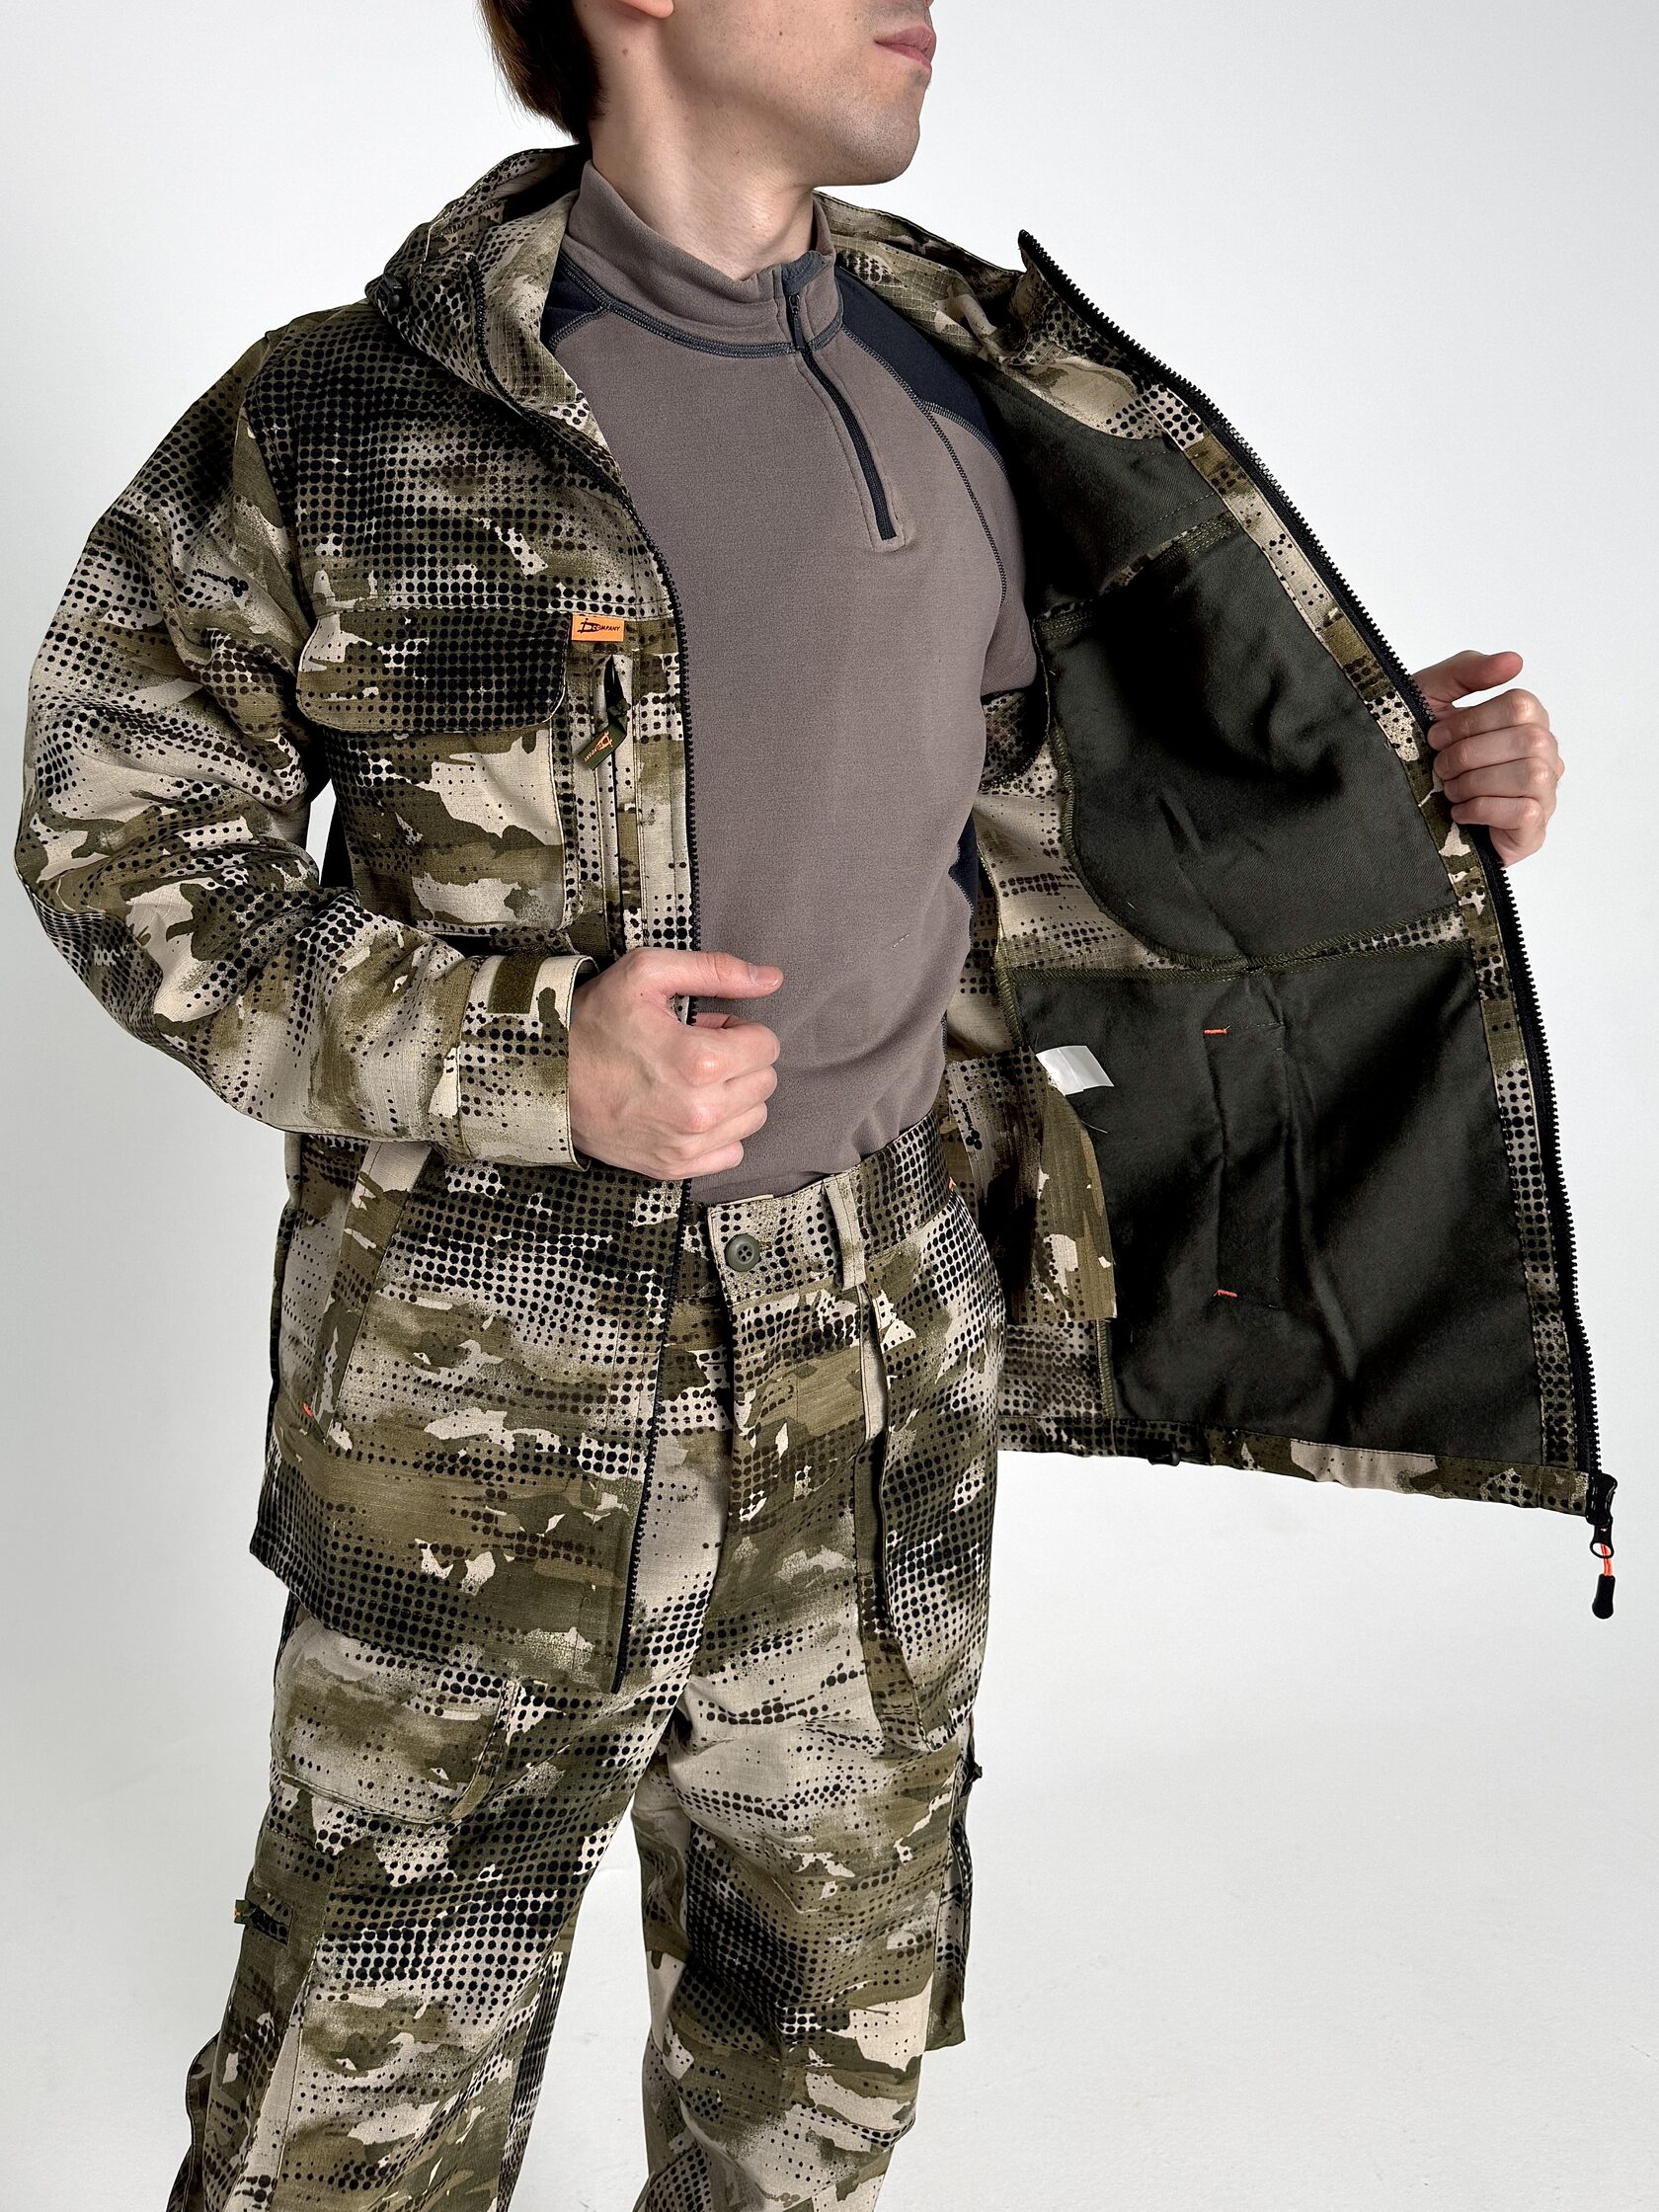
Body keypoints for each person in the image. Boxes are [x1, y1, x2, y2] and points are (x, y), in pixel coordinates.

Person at [13, 3, 1602, 2208]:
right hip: (486, 1408)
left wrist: (1375, 787)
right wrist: (523, 1052)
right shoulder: (348, 419)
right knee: (348, 2137)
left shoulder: (977, 392)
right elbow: (114, 833)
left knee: (819, 2085)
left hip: (879, 1374)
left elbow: (1037, 822)